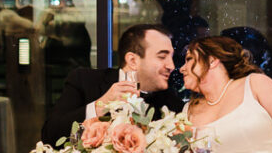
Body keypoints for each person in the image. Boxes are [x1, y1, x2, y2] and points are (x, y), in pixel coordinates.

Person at [41, 24, 182, 145]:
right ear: (132, 60)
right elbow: (50, 136)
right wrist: (100, 105)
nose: (171, 65)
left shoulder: (170, 103)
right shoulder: (85, 81)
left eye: (171, 57)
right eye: (162, 57)